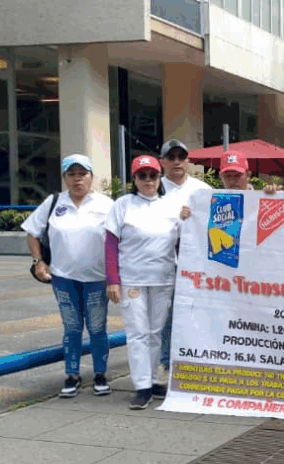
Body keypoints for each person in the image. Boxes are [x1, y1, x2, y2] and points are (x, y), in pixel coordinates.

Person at [22, 154, 115, 398]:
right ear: (64, 177)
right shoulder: (54, 202)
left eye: (82, 174)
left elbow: (120, 239)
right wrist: (38, 261)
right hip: (63, 278)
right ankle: (72, 375)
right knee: (72, 328)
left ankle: (100, 374)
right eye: (71, 174)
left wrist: (117, 276)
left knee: (97, 328)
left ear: (91, 177)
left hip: (97, 279)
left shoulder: (106, 204)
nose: (77, 179)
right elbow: (32, 232)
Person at [106, 155, 190, 410]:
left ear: (159, 177)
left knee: (155, 332)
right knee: (137, 333)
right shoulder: (122, 205)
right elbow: (110, 244)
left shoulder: (172, 205)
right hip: (133, 280)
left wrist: (189, 217)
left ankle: (152, 380)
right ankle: (141, 386)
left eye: (153, 175)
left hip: (163, 279)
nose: (148, 180)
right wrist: (112, 280)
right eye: (142, 176)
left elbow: (184, 240)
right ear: (134, 179)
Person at [157, 139, 211, 378]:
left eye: (181, 157)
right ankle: (166, 362)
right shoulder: (153, 187)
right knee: (166, 315)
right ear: (162, 162)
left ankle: (198, 358)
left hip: (197, 262)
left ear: (188, 161)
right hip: (163, 262)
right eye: (171, 157)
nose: (177, 162)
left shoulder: (202, 189)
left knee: (198, 311)